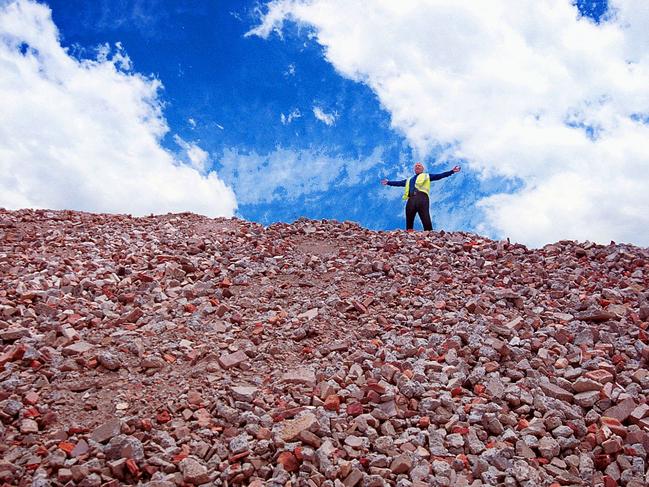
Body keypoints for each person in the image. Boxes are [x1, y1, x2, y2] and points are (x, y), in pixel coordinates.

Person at [381, 162, 461, 231]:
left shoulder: (426, 176)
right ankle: (409, 235)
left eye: (419, 166)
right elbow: (398, 183)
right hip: (411, 199)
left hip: (422, 198)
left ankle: (429, 234)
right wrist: (388, 182)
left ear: (422, 169)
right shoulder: (409, 180)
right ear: (414, 170)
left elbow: (440, 176)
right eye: (416, 166)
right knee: (409, 218)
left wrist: (452, 171)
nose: (417, 166)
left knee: (425, 218)